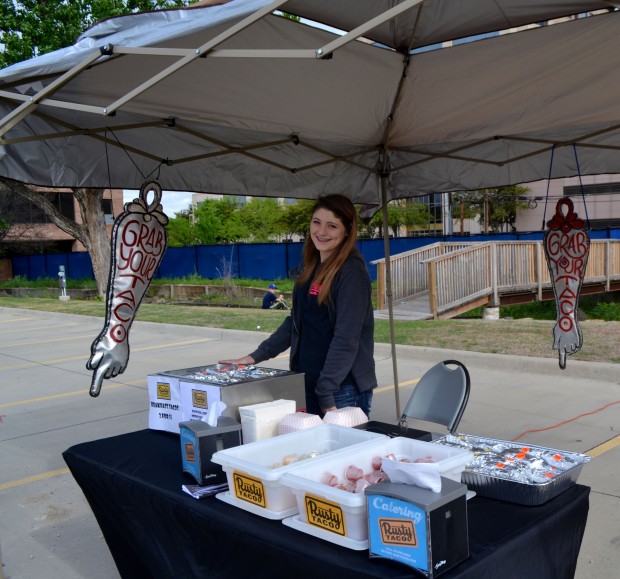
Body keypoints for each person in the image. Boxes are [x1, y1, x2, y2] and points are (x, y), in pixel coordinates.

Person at [220, 194, 377, 417]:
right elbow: (295, 322)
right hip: (307, 382)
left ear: (347, 230)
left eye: (332, 226)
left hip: (339, 391)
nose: (322, 232)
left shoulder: (351, 272)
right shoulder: (310, 266)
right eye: (316, 222)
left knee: (340, 452)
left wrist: (326, 391)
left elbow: (346, 338)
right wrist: (255, 356)